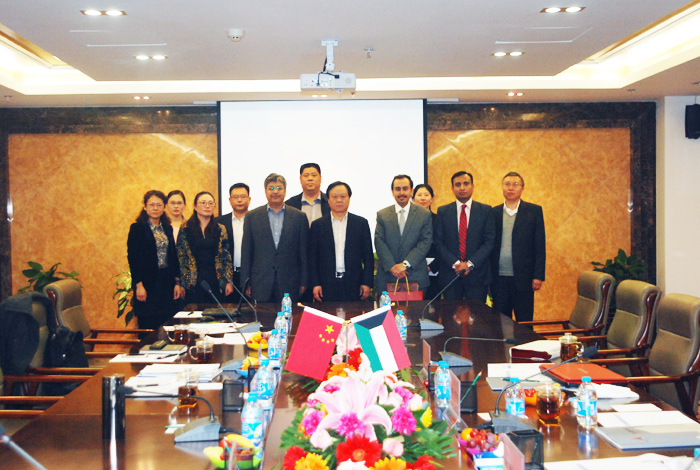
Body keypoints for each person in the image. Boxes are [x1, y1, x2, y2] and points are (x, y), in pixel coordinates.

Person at [241, 173, 309, 303]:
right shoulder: (252, 217)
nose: (275, 192)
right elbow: (247, 252)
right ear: (265, 191)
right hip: (260, 281)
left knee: (289, 315)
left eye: (279, 188)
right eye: (271, 188)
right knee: (261, 315)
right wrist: (245, 282)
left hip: (290, 281)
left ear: (285, 191)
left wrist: (304, 281)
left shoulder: (299, 217)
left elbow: (303, 252)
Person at [491, 172, 546, 322]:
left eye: (515, 184)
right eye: (507, 184)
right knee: (501, 322)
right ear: (502, 187)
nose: (511, 188)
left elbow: (539, 245)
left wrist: (538, 275)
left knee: (524, 321)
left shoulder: (534, 211)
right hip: (498, 278)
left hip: (524, 278)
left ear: (522, 188)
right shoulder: (493, 212)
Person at [127, 190, 185, 330]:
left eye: (159, 205)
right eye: (151, 205)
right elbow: (133, 258)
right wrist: (139, 285)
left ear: (164, 207)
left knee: (167, 324)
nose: (155, 208)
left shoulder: (167, 228)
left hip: (166, 282)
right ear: (145, 206)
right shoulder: (137, 228)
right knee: (148, 325)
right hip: (147, 283)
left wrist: (177, 283)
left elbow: (173, 256)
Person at [434, 171, 495, 302]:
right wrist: (457, 264)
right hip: (450, 274)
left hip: (477, 275)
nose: (462, 188)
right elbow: (438, 242)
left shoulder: (485, 210)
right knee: (451, 314)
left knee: (477, 314)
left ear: (472, 186)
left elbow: (489, 242)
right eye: (458, 184)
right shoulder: (443, 211)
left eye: (466, 184)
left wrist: (470, 264)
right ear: (452, 188)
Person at [308, 181, 374, 302]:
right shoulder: (318, 225)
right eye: (334, 197)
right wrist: (315, 284)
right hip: (326, 284)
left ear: (349, 198)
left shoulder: (361, 224)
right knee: (327, 314)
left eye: (343, 196)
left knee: (353, 313)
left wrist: (367, 283)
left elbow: (368, 257)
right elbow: (312, 258)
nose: (339, 200)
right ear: (328, 200)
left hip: (354, 284)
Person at [375, 175, 433, 295]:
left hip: (415, 275)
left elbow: (425, 242)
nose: (401, 192)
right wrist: (392, 267)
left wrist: (405, 264)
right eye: (398, 189)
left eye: (405, 188)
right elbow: (379, 241)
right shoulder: (382, 215)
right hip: (388, 276)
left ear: (411, 191)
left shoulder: (424, 214)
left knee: (416, 308)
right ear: (392, 192)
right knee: (387, 308)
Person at [176, 191, 234, 303]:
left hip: (216, 279)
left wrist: (229, 281)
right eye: (203, 203)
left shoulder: (220, 228)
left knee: (217, 311)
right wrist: (180, 283)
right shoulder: (185, 228)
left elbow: (226, 257)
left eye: (210, 203)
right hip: (192, 280)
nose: (207, 206)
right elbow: (181, 258)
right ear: (195, 206)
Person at [216, 183, 251, 300]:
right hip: (228, 277)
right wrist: (225, 279)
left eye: (243, 196)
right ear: (230, 200)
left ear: (249, 199)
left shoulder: (257, 220)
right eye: (235, 197)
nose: (239, 200)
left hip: (250, 276)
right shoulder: (219, 222)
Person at [413, 183, 441, 299]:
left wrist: (432, 266)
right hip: (413, 270)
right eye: (419, 195)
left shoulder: (439, 220)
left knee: (433, 306)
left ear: (432, 198)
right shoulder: (409, 222)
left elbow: (444, 245)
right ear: (413, 199)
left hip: (434, 271)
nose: (423, 198)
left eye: (426, 195)